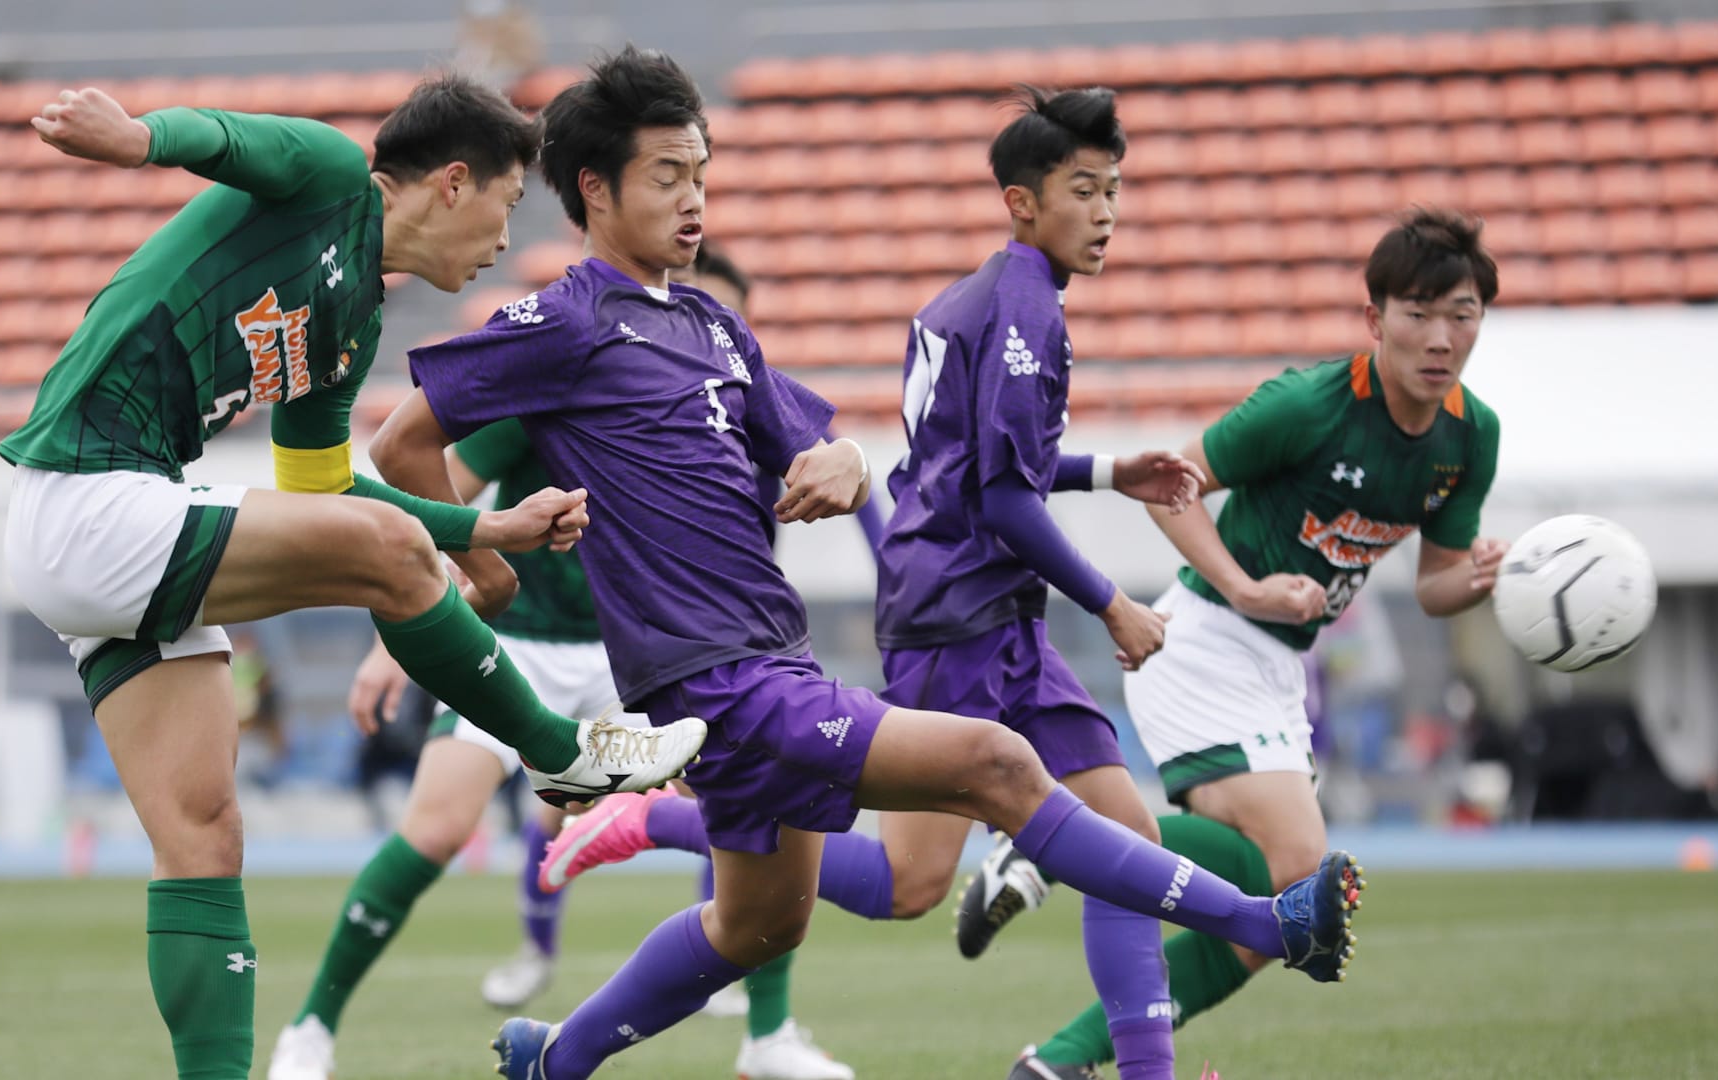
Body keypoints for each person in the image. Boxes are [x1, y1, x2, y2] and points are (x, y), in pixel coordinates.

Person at [370, 47, 1364, 1080]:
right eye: (667, 176)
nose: (693, 198)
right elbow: (402, 445)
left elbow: (813, 453)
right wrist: (479, 563)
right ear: (594, 188)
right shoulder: (563, 318)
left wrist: (839, 462)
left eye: (701, 174)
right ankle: (1272, 920)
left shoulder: (713, 324)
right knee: (998, 765)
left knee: (758, 929)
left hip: (771, 658)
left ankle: (555, 1059)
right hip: (710, 675)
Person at [0, 76, 705, 1080]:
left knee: (204, 841)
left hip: (115, 529)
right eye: (506, 206)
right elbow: (228, 138)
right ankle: (560, 755)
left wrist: (483, 526)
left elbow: (325, 485)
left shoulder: (356, 324)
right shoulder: (332, 179)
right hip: (90, 499)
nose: (504, 241)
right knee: (390, 554)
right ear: (452, 183)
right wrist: (134, 139)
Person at [540, 84, 1215, 1080]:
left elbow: (949, 464)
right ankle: (652, 818)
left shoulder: (967, 300)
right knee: (911, 882)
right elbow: (998, 493)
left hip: (981, 604)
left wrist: (1111, 472)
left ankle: (1123, 1060)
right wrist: (1113, 602)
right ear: (1024, 201)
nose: (1108, 211)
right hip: (954, 609)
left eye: (1115, 189)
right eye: (1088, 189)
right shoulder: (1023, 304)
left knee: (1123, 837)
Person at [268, 245, 854, 1080]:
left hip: (648, 656)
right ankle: (312, 1027)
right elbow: (435, 497)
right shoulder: (558, 380)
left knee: (759, 804)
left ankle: (768, 1035)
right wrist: (393, 638)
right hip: (522, 647)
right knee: (435, 828)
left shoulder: (730, 407)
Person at [981, 208, 1506, 1080]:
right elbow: (1170, 489)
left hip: (1274, 667)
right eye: (1417, 313)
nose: (1441, 336)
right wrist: (1245, 586)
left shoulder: (1469, 436)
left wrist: (1494, 578)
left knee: (1274, 912)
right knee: (1303, 881)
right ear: (1375, 320)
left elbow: (1436, 583)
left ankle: (1059, 1059)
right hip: (1204, 640)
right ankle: (1057, 837)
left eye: (1462, 314)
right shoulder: (1309, 404)